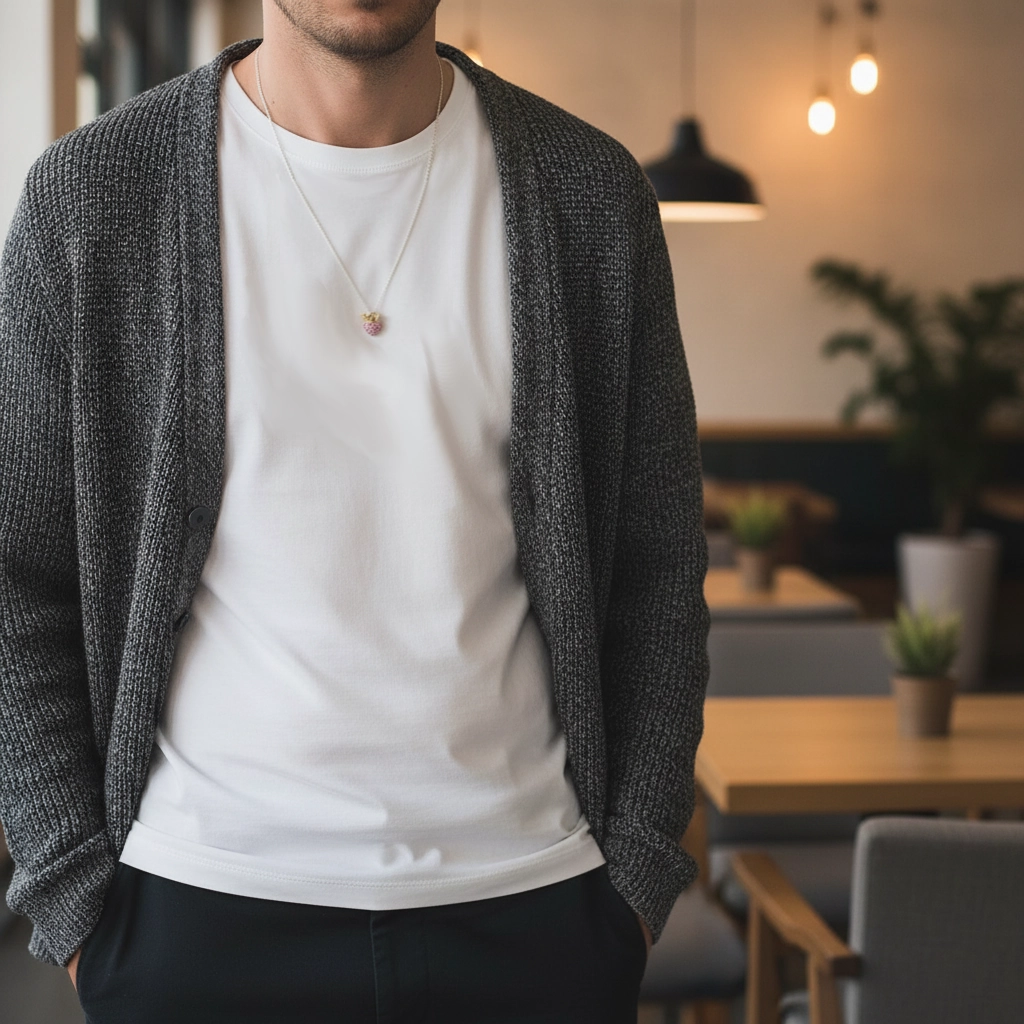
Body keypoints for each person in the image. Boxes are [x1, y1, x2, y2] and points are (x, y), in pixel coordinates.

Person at [0, 1, 709, 1021]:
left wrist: (633, 878)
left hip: (533, 912)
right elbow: (19, 573)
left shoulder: (589, 196)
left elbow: (658, 569)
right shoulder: (91, 197)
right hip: (195, 915)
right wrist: (74, 897)